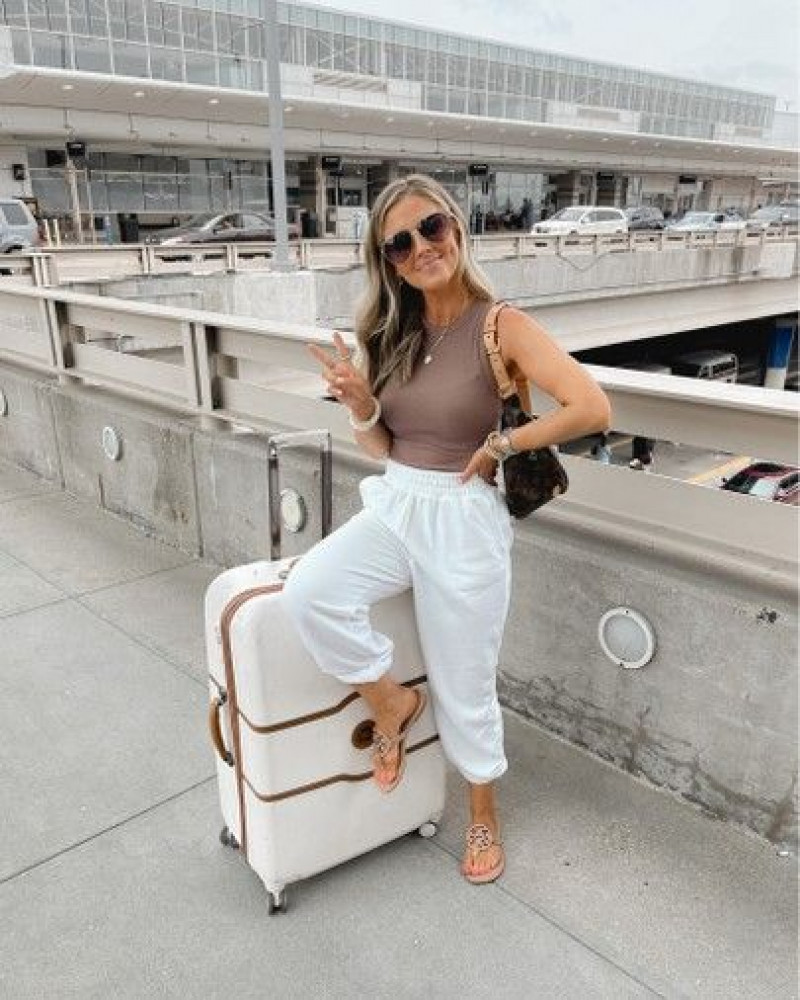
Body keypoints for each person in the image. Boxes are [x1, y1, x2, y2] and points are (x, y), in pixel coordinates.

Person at [282, 174, 610, 885]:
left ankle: (483, 812)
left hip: (465, 519)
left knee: (466, 681)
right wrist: (363, 402)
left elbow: (590, 408)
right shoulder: (392, 331)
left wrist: (500, 447)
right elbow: (380, 447)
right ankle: (393, 700)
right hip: (399, 500)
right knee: (310, 591)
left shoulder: (502, 325)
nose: (420, 248)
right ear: (389, 261)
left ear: (456, 228)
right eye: (399, 243)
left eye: (430, 228)